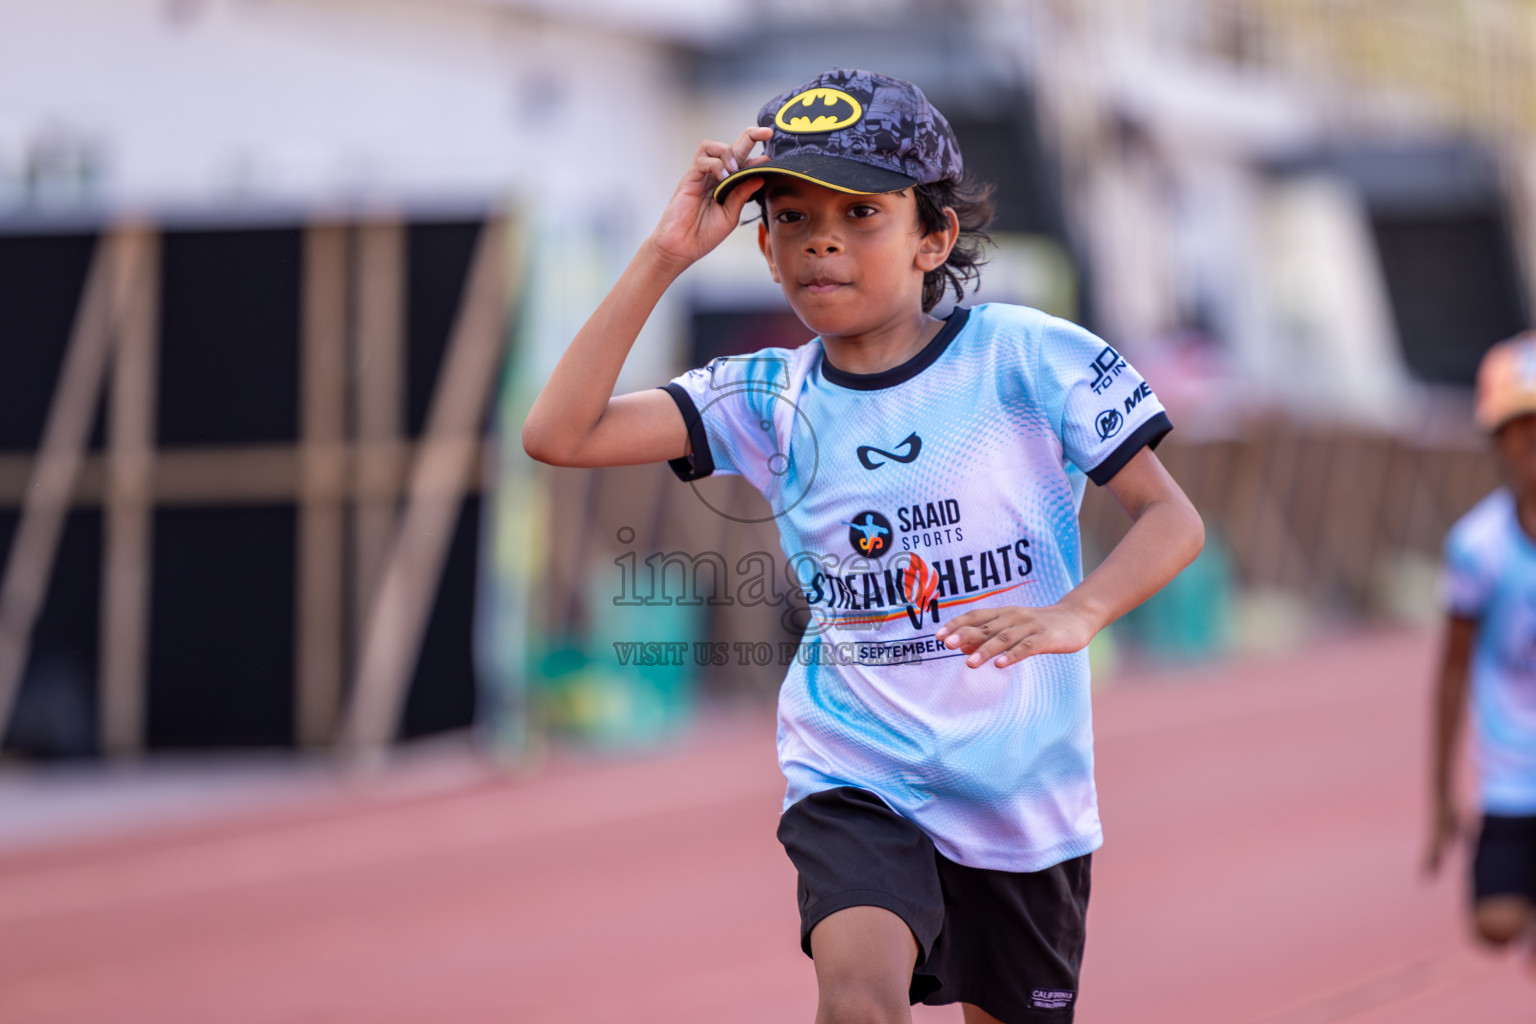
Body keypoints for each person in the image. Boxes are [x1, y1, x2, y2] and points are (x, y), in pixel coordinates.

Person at [523, 69, 1205, 1024]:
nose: (822, 241)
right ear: (763, 247)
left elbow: (1173, 519)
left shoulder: (1024, 358)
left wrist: (1075, 613)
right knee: (857, 1005)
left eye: (859, 214)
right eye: (792, 218)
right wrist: (664, 256)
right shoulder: (768, 398)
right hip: (857, 769)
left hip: (1023, 791)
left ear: (935, 236)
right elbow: (560, 433)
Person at [1427, 331, 1536, 963]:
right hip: (1511, 776)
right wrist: (1443, 792)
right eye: (1519, 429)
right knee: (1495, 925)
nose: (1533, 445)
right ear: (1497, 442)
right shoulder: (1478, 546)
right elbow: (1450, 671)